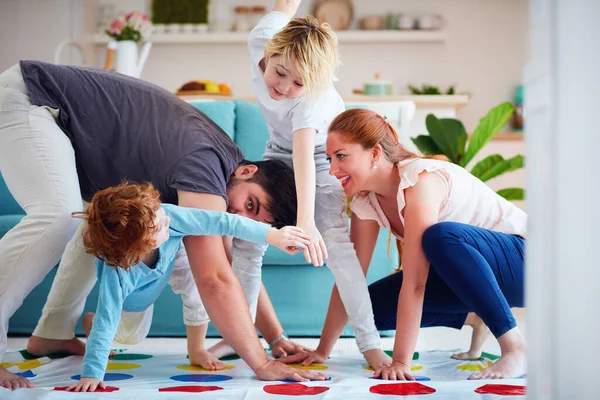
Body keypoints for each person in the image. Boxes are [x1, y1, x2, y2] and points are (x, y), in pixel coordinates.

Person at [0, 61, 327, 390]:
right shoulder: (205, 167)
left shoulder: (223, 174)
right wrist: (262, 364)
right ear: (246, 172)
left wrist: (275, 337)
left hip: (55, 114)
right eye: (251, 204)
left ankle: (52, 334)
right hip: (34, 96)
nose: (238, 216)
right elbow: (213, 279)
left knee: (97, 229)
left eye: (250, 218)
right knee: (57, 216)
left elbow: (231, 270)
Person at [210, 0, 391, 370]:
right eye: (280, 74)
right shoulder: (263, 36)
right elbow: (283, 6)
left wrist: (306, 222)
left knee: (340, 252)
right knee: (246, 244)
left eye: (298, 83)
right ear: (271, 51)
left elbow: (306, 159)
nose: (284, 87)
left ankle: (370, 345)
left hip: (323, 162)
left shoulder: (311, 101)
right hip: (277, 150)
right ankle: (236, 336)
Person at [320, 108, 526, 380]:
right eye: (330, 158)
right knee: (366, 310)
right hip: (477, 278)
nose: (333, 169)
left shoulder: (421, 180)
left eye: (341, 156)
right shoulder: (366, 201)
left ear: (374, 153)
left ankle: (515, 349)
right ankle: (477, 316)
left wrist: (401, 362)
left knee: (440, 237)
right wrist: (322, 352)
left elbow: (415, 283)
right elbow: (351, 279)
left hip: (525, 263)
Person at [65, 182, 310, 392]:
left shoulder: (167, 217)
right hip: (135, 300)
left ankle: (196, 348)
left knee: (197, 282)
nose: (167, 219)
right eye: (160, 224)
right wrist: (92, 373)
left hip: (170, 260)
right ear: (141, 245)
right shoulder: (117, 272)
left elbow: (221, 221)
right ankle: (90, 321)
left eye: (161, 212)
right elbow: (108, 321)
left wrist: (272, 235)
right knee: (130, 334)